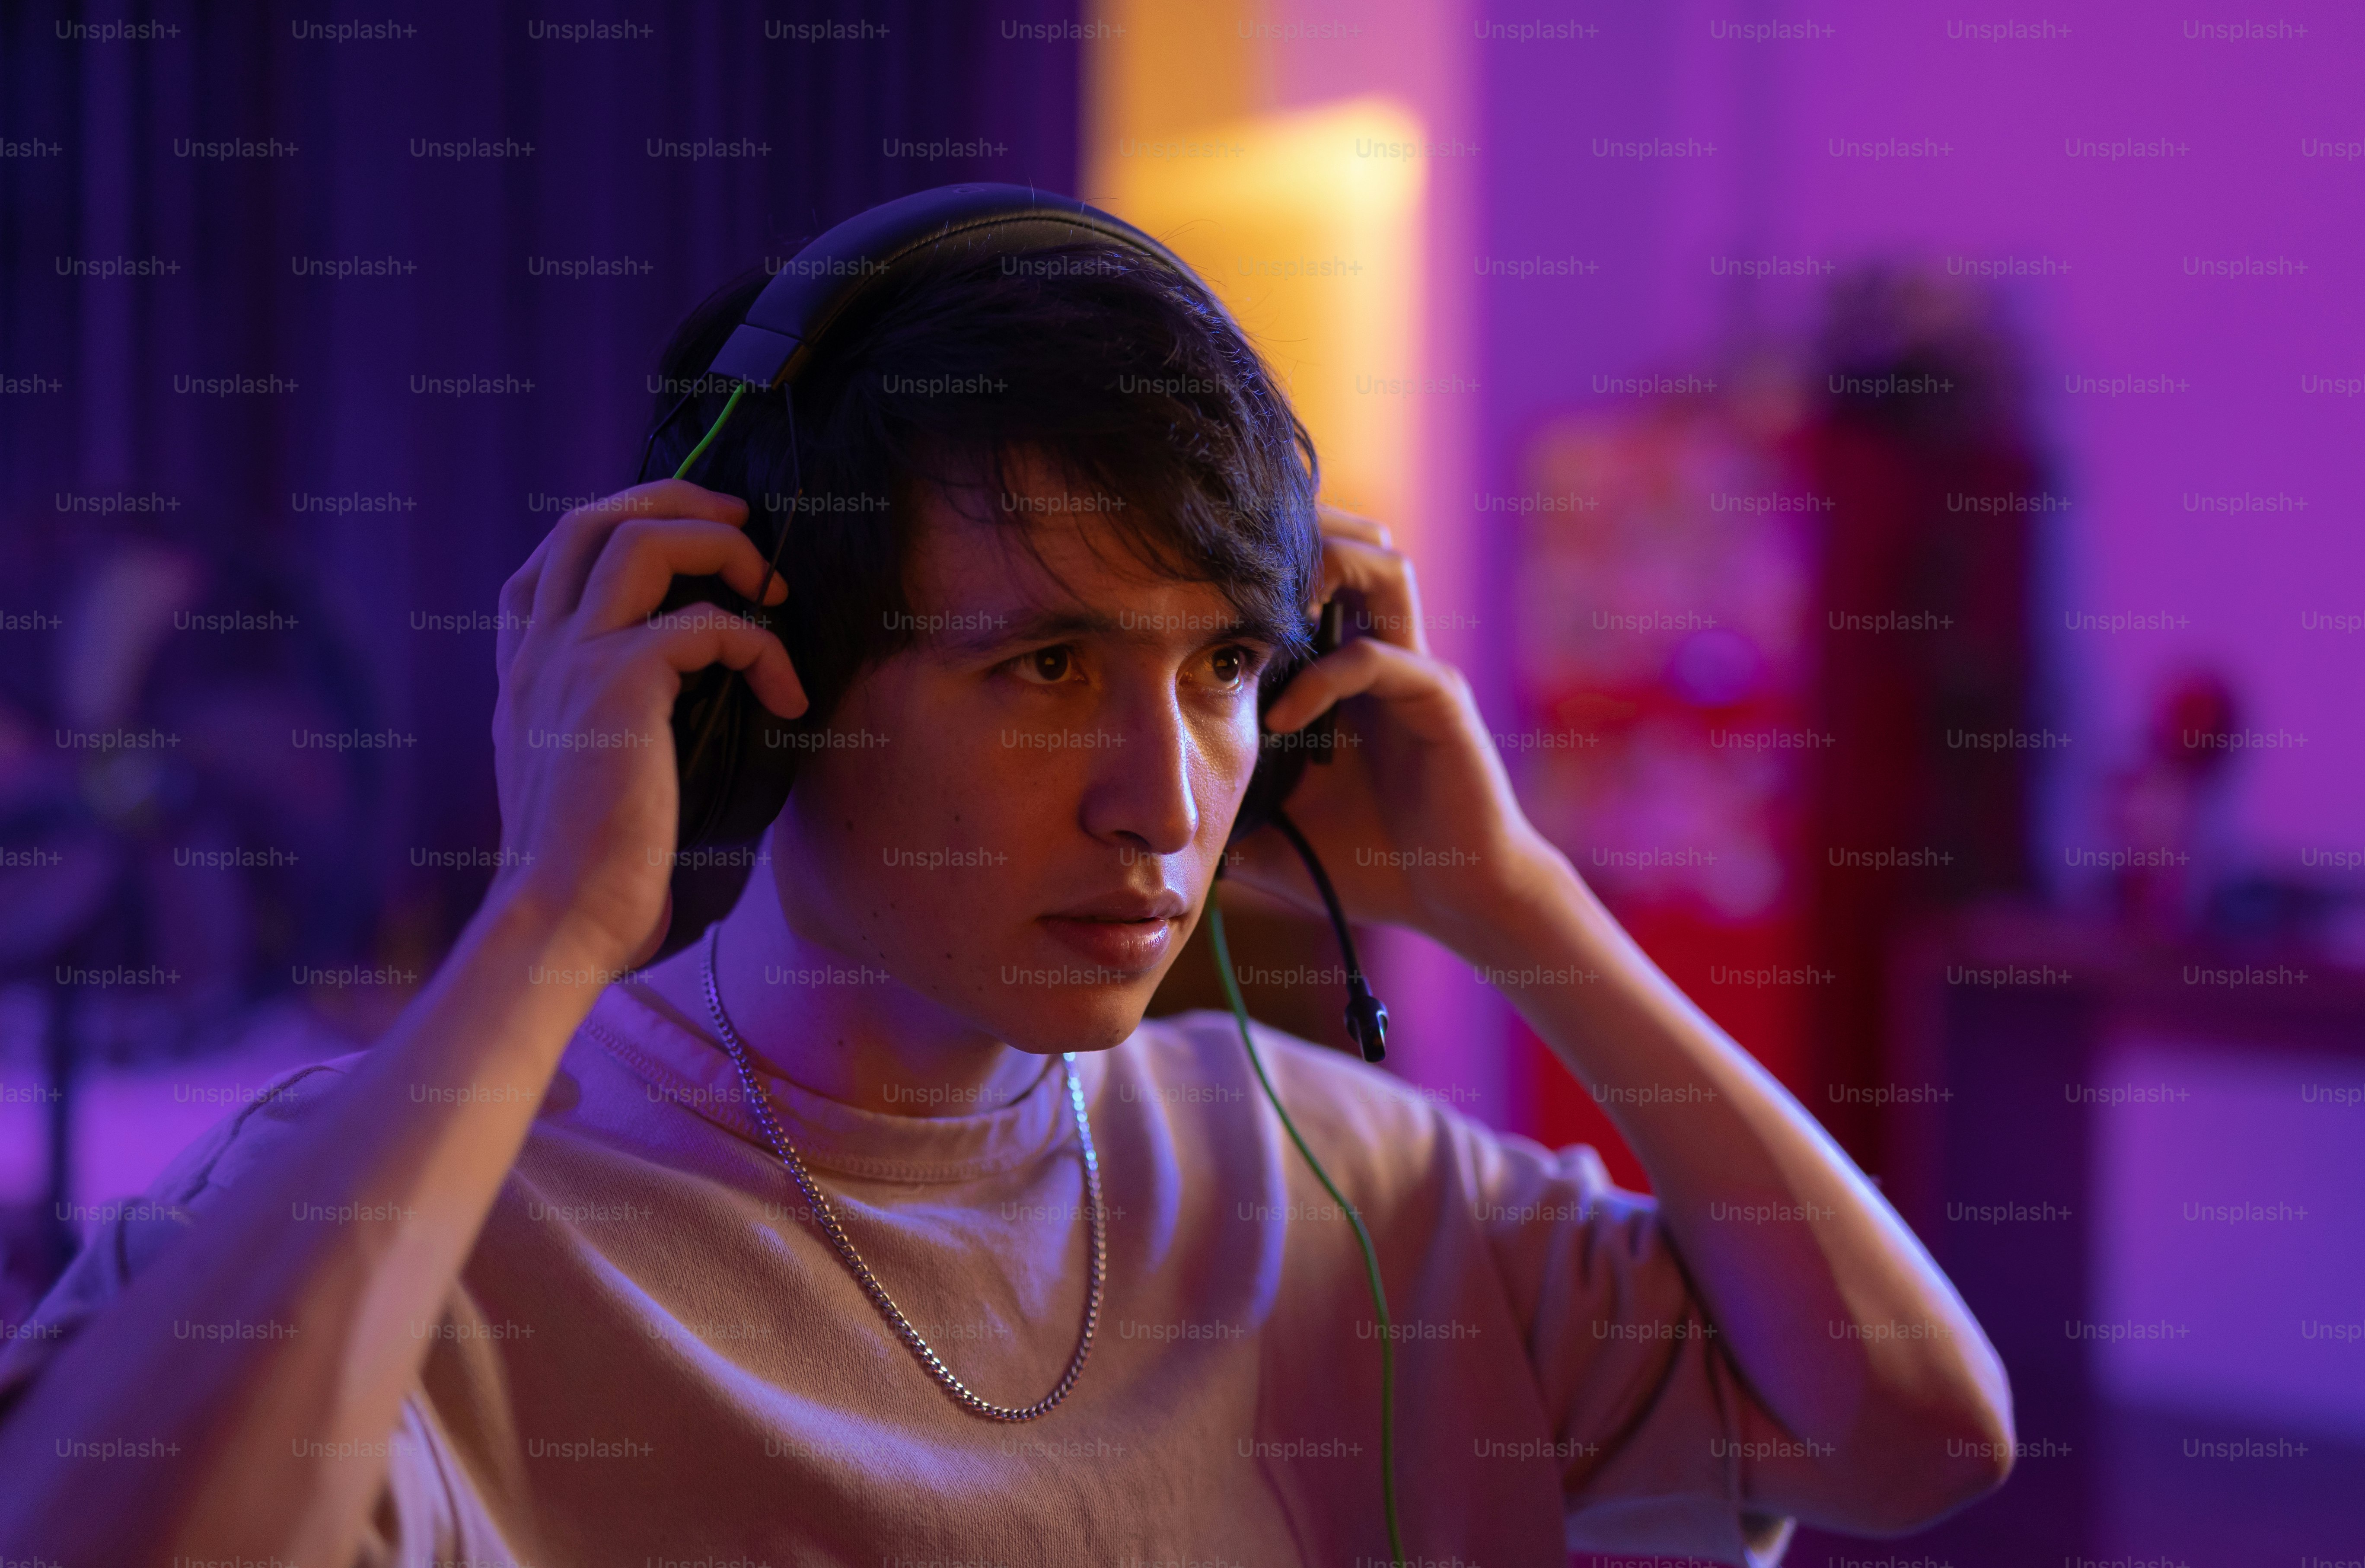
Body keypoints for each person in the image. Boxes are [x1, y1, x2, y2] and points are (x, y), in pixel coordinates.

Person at [0, 237, 2012, 1567]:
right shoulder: (394, 1215)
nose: (1166, 802)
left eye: (1222, 669)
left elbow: (1924, 1434)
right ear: (748, 680)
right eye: (1045, 667)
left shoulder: (1350, 1181)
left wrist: (1520, 902)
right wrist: (543, 928)